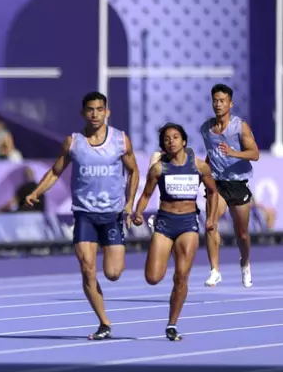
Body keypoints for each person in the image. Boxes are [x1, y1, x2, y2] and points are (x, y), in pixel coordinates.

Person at [25, 91, 140, 340]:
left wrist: (129, 203)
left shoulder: (120, 140)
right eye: (90, 109)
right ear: (83, 113)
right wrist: (36, 191)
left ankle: (113, 265)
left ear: (107, 112)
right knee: (88, 269)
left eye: (99, 109)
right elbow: (55, 172)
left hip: (111, 215)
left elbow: (134, 171)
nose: (95, 114)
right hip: (84, 214)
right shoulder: (74, 142)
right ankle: (104, 323)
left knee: (113, 273)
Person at [132, 123, 219, 341]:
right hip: (164, 223)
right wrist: (138, 212)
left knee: (181, 277)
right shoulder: (159, 169)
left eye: (175, 137)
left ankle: (172, 324)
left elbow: (213, 191)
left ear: (184, 141)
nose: (171, 141)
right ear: (163, 144)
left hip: (188, 224)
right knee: (153, 277)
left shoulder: (199, 167)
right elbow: (145, 195)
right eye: (167, 139)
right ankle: (163, 251)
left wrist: (211, 217)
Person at [200, 84, 259, 288]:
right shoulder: (206, 129)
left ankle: (245, 262)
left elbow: (255, 153)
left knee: (241, 234)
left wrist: (234, 153)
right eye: (215, 100)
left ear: (230, 103)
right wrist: (205, 173)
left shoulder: (239, 126)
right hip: (217, 184)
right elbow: (212, 153)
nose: (218, 104)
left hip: (238, 183)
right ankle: (215, 270)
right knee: (210, 224)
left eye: (222, 101)